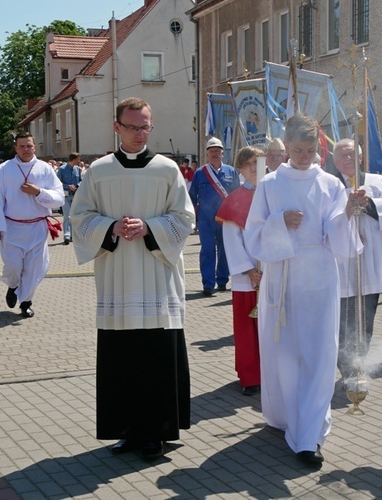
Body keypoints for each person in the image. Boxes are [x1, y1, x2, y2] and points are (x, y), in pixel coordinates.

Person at [70, 97, 194, 462]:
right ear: (116, 128)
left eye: (145, 127)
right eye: (132, 127)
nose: (140, 134)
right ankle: (126, 431)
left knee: (156, 359)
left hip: (157, 278)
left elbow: (184, 218)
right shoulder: (99, 171)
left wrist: (149, 227)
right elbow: (80, 218)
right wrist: (110, 226)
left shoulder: (167, 169)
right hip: (117, 280)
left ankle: (156, 434)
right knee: (121, 360)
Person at [245, 113, 354, 466]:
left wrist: (348, 212)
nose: (304, 156)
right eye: (297, 149)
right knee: (285, 355)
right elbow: (254, 235)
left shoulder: (331, 184)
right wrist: (280, 223)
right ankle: (287, 416)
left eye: (309, 150)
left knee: (319, 354)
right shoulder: (270, 184)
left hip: (319, 277)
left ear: (318, 148)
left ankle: (308, 434)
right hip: (284, 277)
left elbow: (337, 231)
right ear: (286, 146)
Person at [328, 139, 382, 383]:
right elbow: (325, 220)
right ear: (335, 159)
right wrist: (347, 216)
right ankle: (346, 365)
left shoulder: (377, 181)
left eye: (352, 154)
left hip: (369, 258)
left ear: (361, 157)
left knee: (365, 316)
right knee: (344, 316)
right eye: (343, 155)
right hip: (342, 259)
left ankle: (359, 361)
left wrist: (368, 203)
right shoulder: (329, 184)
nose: (348, 159)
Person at [0, 132, 65, 318]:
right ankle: (13, 285)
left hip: (37, 228)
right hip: (12, 227)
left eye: (29, 146)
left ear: (34, 147)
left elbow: (59, 198)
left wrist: (38, 192)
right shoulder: (5, 169)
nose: (25, 149)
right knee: (13, 266)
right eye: (21, 146)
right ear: (15, 148)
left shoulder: (45, 169)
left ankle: (26, 302)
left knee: (33, 269)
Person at [215, 146, 264, 396]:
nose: (254, 168)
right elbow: (232, 239)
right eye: (248, 164)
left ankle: (272, 374)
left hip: (273, 275)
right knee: (247, 330)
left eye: (258, 162)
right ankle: (251, 376)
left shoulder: (273, 193)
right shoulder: (234, 199)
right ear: (240, 169)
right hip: (248, 279)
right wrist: (248, 270)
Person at [189, 137, 240, 296]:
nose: (214, 154)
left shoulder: (231, 172)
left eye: (217, 151)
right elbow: (192, 196)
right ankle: (208, 285)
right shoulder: (200, 173)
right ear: (207, 154)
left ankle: (222, 281)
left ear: (222, 153)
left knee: (225, 250)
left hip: (225, 219)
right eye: (211, 151)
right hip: (206, 220)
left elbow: (238, 196)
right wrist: (193, 219)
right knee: (207, 250)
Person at [56, 152, 82, 245]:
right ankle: (66, 235)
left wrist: (77, 185)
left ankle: (73, 236)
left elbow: (80, 181)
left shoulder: (78, 169)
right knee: (67, 216)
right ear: (74, 159)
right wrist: (68, 186)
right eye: (78, 159)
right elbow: (57, 183)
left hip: (75, 196)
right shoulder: (62, 169)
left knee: (74, 216)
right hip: (65, 196)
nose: (79, 161)